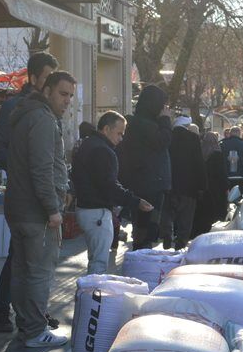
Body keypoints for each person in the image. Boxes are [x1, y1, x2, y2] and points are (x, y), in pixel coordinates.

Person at [0, 51, 58, 332]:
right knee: (21, 258)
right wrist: (19, 168)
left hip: (36, 194)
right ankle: (4, 312)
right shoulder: (18, 107)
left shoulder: (45, 109)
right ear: (34, 78)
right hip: (26, 197)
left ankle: (32, 313)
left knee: (30, 260)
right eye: (48, 78)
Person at [6, 70, 76, 346]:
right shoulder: (43, 120)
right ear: (47, 91)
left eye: (70, 95)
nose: (67, 100)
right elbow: (41, 170)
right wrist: (52, 208)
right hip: (36, 212)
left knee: (22, 270)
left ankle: (26, 324)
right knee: (37, 273)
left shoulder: (25, 114)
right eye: (62, 93)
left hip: (19, 207)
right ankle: (35, 330)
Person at [72, 111, 152, 274]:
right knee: (98, 263)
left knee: (96, 259)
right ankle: (93, 296)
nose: (121, 138)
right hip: (97, 212)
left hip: (87, 208)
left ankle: (90, 294)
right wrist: (135, 201)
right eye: (119, 133)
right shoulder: (101, 150)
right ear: (107, 129)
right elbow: (109, 185)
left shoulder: (89, 144)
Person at [119, 84, 173, 249]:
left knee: (147, 230)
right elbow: (162, 141)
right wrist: (165, 120)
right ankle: (141, 258)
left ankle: (142, 252)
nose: (164, 109)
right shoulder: (143, 124)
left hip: (148, 182)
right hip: (148, 184)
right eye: (162, 105)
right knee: (146, 230)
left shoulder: (142, 123)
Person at [164, 114, 203, 249]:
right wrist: (201, 186)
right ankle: (180, 244)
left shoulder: (167, 137)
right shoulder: (193, 138)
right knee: (185, 219)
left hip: (169, 185)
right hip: (188, 187)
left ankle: (167, 239)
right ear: (188, 126)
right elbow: (198, 163)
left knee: (168, 214)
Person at [192, 129, 230, 236]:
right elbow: (222, 172)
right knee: (214, 212)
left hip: (203, 187)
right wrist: (226, 186)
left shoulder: (200, 152)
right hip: (216, 188)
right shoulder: (217, 153)